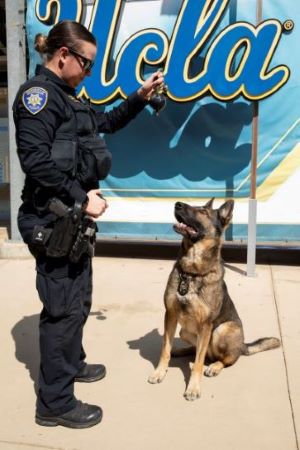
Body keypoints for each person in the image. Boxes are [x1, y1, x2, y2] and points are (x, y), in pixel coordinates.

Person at [13, 20, 164, 429]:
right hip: (51, 219)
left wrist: (139, 96)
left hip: (73, 222)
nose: (90, 72)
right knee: (61, 310)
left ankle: (72, 364)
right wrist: (82, 197)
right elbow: (35, 162)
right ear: (64, 55)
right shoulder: (39, 97)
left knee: (78, 301)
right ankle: (55, 403)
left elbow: (106, 123)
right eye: (87, 63)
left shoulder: (69, 98)